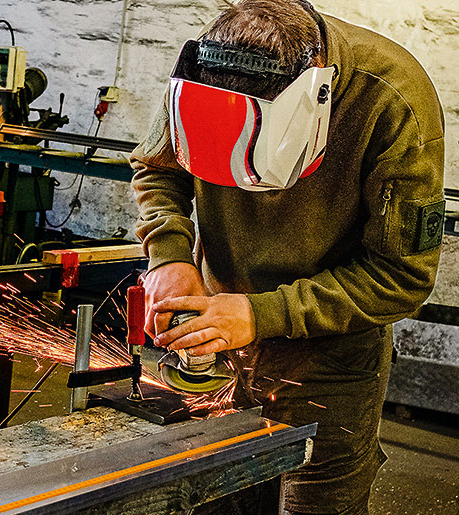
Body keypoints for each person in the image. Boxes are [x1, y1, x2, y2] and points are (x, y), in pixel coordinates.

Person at [130, 0, 445, 513]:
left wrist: (264, 313)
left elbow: (401, 275)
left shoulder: (391, 101)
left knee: (318, 506)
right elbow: (158, 168)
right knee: (210, 498)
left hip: (330, 360)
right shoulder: (205, 73)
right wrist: (168, 255)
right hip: (221, 339)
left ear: (316, 98)